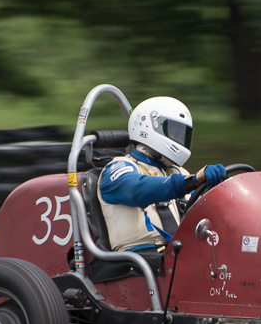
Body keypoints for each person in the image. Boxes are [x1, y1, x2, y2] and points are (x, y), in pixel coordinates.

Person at [97, 96, 226, 252]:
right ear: (150, 126)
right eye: (175, 132)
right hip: (140, 260)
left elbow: (205, 212)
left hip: (178, 253)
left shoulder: (177, 171)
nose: (179, 138)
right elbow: (137, 189)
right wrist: (191, 181)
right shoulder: (118, 168)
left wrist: (220, 194)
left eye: (182, 134)